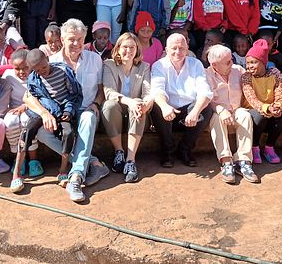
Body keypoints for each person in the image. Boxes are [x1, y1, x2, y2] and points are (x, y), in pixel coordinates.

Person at [49, 19, 109, 202]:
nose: (76, 44)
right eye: (71, 39)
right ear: (62, 39)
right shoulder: (51, 63)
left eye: (80, 39)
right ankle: (93, 162)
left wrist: (96, 104)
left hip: (86, 110)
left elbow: (100, 91)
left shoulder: (95, 59)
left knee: (88, 118)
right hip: (63, 114)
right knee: (42, 132)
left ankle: (75, 177)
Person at [10, 49, 82, 193]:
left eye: (43, 66)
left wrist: (68, 111)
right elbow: (35, 98)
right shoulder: (33, 79)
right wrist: (45, 113)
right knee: (27, 130)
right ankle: (16, 174)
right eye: (36, 69)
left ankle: (63, 171)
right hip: (44, 110)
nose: (42, 71)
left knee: (68, 133)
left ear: (47, 59)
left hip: (62, 111)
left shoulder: (63, 72)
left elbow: (74, 94)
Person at [151, 33, 214, 168]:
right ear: (166, 50)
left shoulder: (196, 64)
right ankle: (167, 151)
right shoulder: (158, 66)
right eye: (174, 48)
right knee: (157, 106)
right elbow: (157, 90)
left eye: (181, 48)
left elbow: (205, 91)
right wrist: (165, 106)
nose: (177, 52)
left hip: (189, 112)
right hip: (168, 111)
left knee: (206, 109)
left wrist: (195, 111)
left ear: (187, 49)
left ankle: (185, 149)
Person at [102, 33, 153, 183]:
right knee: (109, 105)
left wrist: (144, 104)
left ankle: (130, 160)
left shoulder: (144, 67)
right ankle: (119, 152)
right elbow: (109, 91)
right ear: (117, 49)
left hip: (135, 112)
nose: (128, 51)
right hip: (117, 110)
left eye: (132, 47)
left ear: (137, 50)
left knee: (138, 103)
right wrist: (129, 102)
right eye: (125, 47)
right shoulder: (109, 65)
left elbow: (148, 93)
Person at [205, 44, 259, 184]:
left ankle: (244, 161)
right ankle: (226, 161)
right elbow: (207, 99)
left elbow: (252, 83)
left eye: (231, 59)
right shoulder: (206, 74)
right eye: (227, 62)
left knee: (244, 115)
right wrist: (221, 110)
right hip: (216, 113)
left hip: (236, 111)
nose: (232, 63)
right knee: (217, 117)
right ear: (214, 64)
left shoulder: (238, 70)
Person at [241, 39, 282, 164]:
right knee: (260, 116)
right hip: (252, 110)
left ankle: (269, 147)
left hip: (271, 108)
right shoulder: (246, 77)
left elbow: (280, 95)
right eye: (248, 63)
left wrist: (278, 107)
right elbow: (252, 99)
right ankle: (254, 147)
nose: (250, 66)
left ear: (263, 62)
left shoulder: (275, 74)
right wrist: (267, 108)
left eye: (254, 62)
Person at [2, 49, 44, 178]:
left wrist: (25, 106)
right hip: (13, 109)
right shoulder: (8, 76)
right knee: (10, 122)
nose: (21, 72)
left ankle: (33, 160)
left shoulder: (38, 76)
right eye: (17, 68)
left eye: (25, 67)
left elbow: (42, 97)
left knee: (27, 122)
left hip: (33, 108)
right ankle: (19, 159)